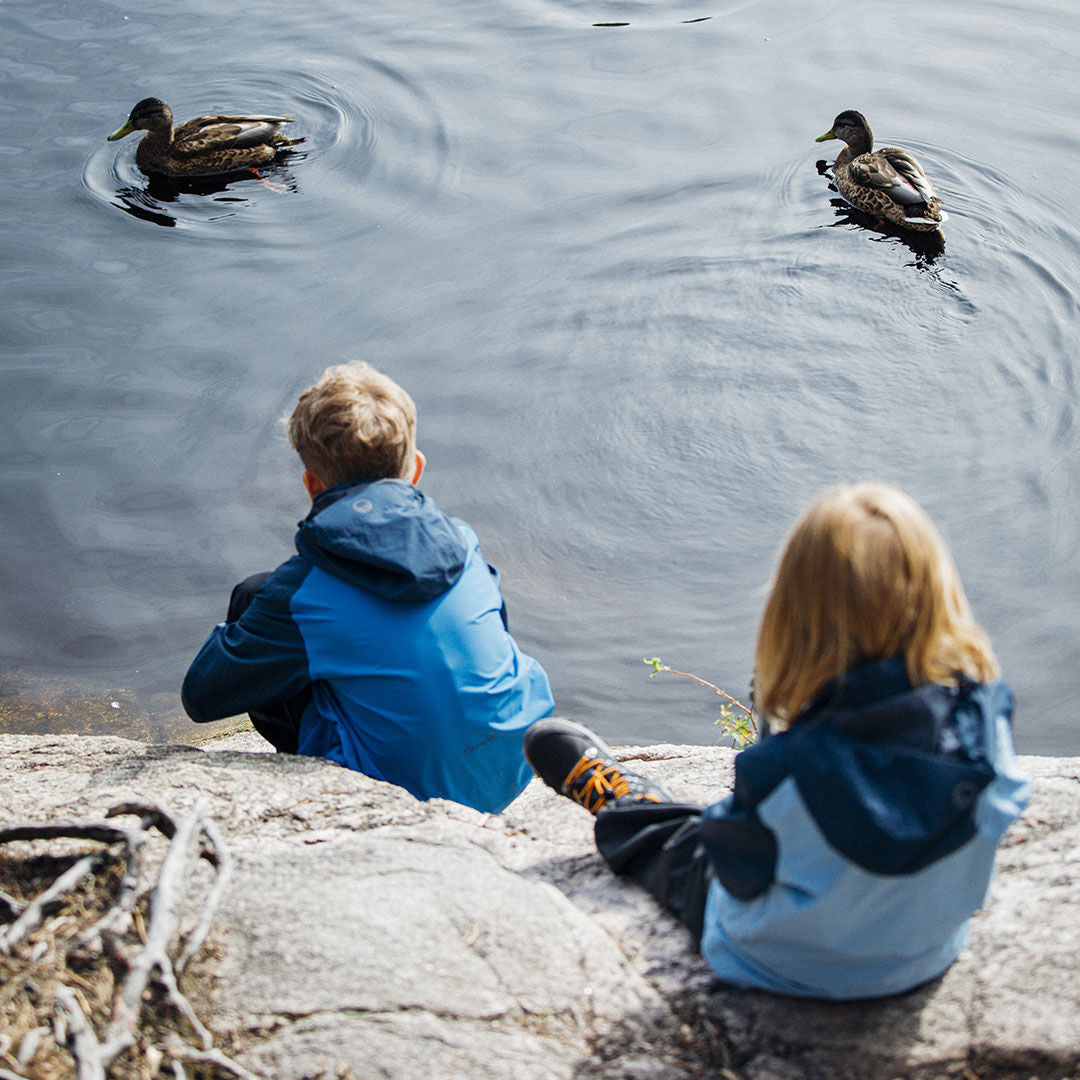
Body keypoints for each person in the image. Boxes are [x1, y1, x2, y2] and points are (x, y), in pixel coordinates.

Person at [525, 483, 1030, 1000]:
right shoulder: (987, 718)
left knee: (685, 850)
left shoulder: (788, 769)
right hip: (924, 954)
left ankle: (625, 801)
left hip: (783, 966)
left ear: (793, 614)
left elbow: (737, 873)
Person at [183, 361, 555, 814]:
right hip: (515, 765)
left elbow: (202, 698)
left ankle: (314, 775)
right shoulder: (463, 542)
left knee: (252, 596)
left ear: (312, 485)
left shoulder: (301, 592)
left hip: (402, 793)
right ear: (416, 469)